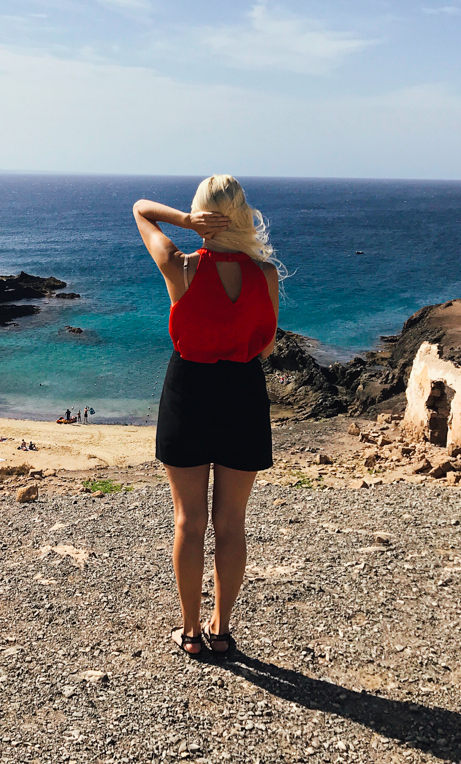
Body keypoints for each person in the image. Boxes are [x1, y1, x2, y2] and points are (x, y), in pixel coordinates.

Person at [133, 175, 281, 659]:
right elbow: (270, 341)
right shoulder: (267, 274)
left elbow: (140, 209)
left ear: (202, 216)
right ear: (242, 214)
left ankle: (191, 633)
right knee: (231, 524)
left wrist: (183, 222)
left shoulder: (182, 267)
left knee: (188, 521)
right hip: (243, 393)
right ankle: (222, 632)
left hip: (189, 393)